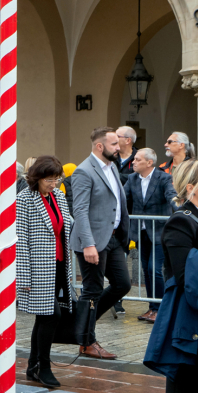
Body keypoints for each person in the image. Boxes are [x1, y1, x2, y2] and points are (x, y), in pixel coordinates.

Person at [144, 159, 198, 393]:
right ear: (191, 187)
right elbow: (185, 275)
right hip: (189, 320)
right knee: (184, 389)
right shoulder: (180, 222)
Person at [69, 127, 130, 360]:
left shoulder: (112, 166)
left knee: (122, 284)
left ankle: (82, 323)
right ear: (99, 146)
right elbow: (80, 210)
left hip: (113, 238)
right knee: (92, 290)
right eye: (114, 144)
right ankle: (86, 341)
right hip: (93, 241)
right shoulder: (84, 171)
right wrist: (88, 244)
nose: (119, 147)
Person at [17, 156, 72, 389]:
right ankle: (44, 366)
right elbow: (21, 239)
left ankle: (33, 365)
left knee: (44, 316)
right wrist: (24, 275)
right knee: (51, 315)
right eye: (49, 179)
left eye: (56, 179)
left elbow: (65, 225)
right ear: (37, 177)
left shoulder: (58, 195)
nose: (53, 183)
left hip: (58, 263)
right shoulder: (24, 198)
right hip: (37, 267)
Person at [124, 147, 176, 323]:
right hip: (141, 232)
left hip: (160, 231)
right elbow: (122, 199)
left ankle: (161, 308)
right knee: (146, 270)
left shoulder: (164, 178)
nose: (133, 162)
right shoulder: (132, 178)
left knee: (155, 269)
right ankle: (152, 307)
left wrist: (181, 211)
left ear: (149, 162)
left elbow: (171, 196)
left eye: (137, 159)